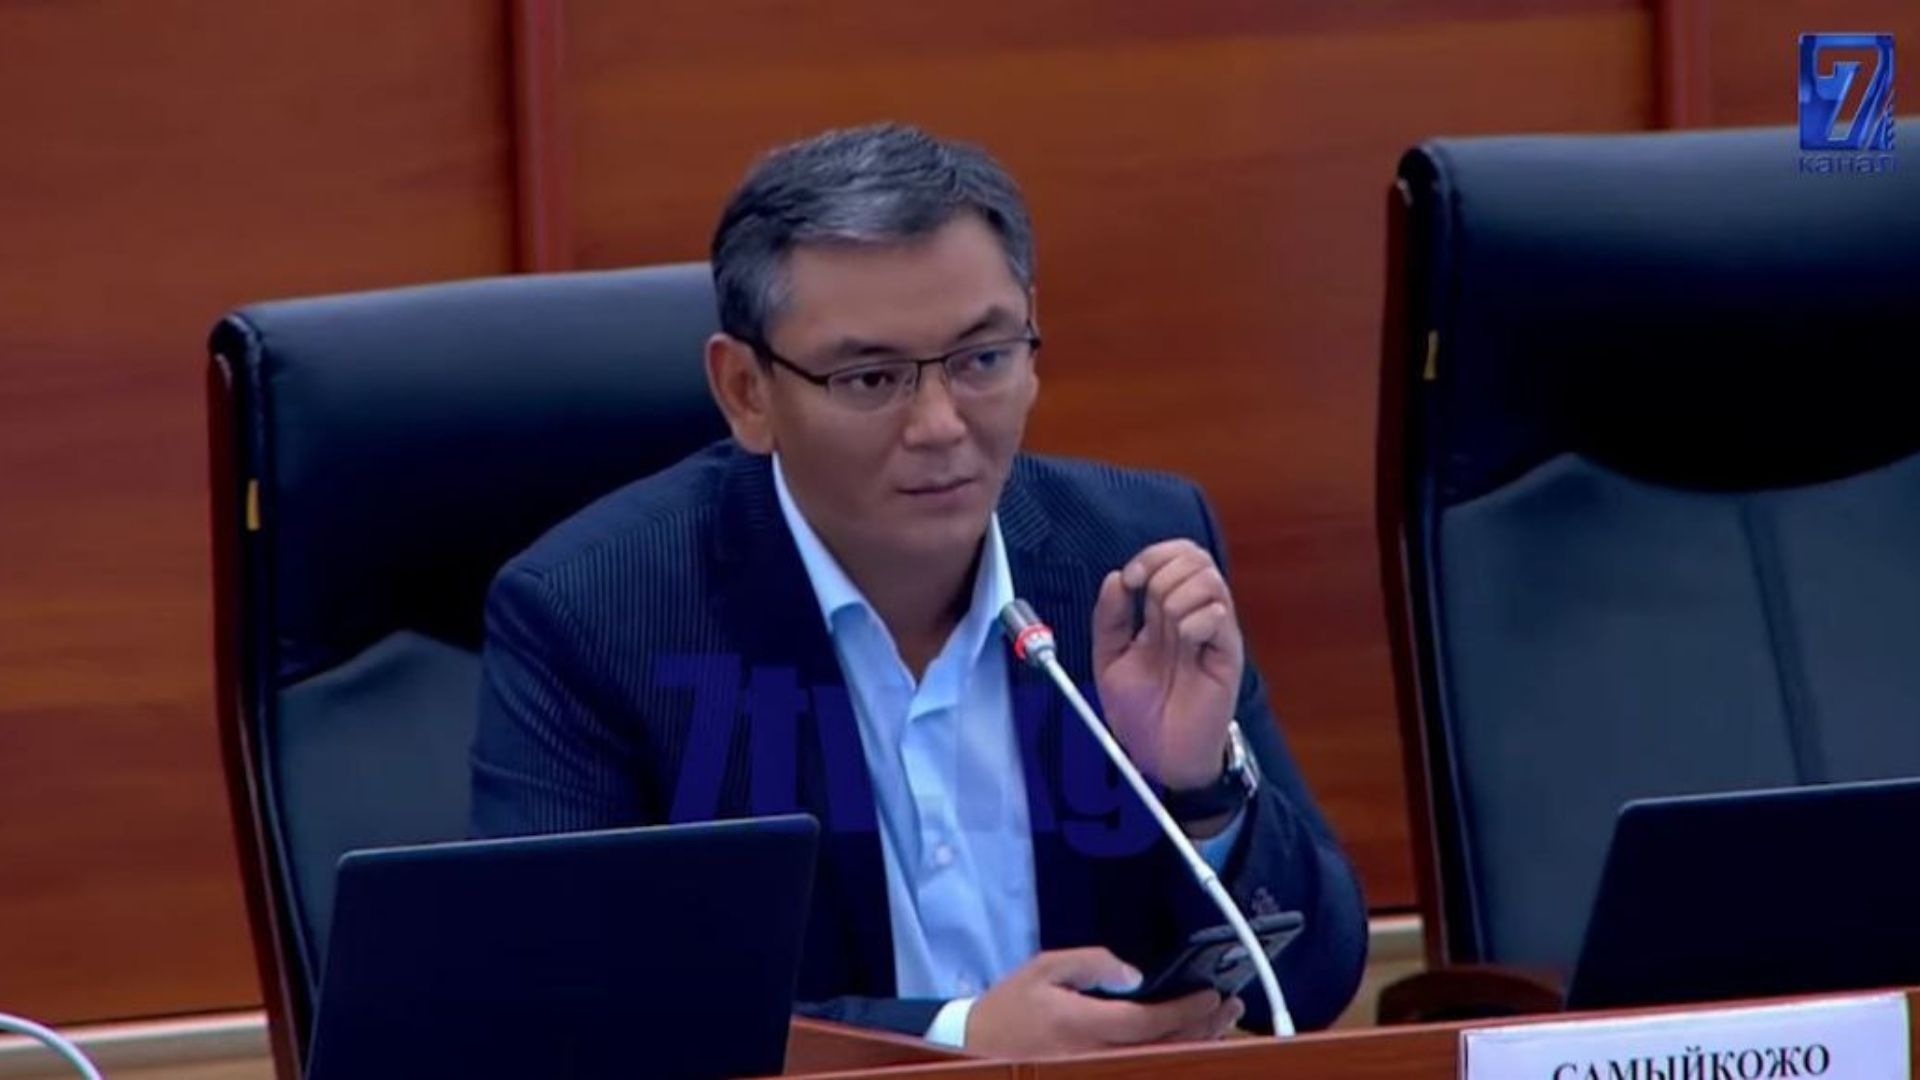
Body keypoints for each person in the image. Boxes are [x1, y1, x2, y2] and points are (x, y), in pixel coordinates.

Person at [471, 123, 1366, 1056]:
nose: (940, 425)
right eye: (872, 377)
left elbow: (1317, 982)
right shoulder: (597, 613)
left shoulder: (1129, 556)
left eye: (982, 359)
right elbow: (559, 1013)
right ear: (746, 392)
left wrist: (1204, 791)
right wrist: (956, 1040)